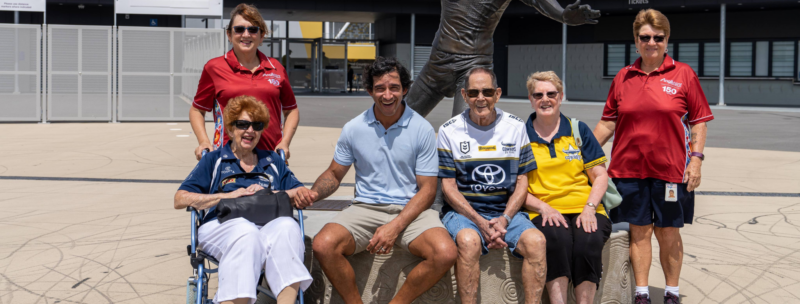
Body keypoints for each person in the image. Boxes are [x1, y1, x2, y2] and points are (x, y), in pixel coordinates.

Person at [295, 57, 458, 304]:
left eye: (394, 87)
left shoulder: (421, 128)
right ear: (370, 91)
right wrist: (314, 194)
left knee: (445, 253)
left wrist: (395, 227)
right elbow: (334, 173)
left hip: (411, 209)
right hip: (365, 208)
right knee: (323, 245)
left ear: (405, 89)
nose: (387, 94)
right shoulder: (354, 127)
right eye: (379, 88)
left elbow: (427, 190)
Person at [593, 9, 713, 304]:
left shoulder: (683, 74)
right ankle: (642, 293)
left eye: (658, 37)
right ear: (636, 41)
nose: (651, 43)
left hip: (671, 171)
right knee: (639, 232)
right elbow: (608, 122)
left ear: (666, 40)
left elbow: (699, 120)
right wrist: (584, 154)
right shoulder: (623, 76)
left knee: (668, 233)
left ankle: (671, 292)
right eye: (645, 37)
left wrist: (695, 159)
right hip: (628, 171)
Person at [174, 95, 313, 304]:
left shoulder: (272, 160)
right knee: (245, 232)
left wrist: (266, 194)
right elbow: (180, 198)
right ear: (230, 129)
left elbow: (301, 192)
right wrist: (228, 195)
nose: (250, 131)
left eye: (257, 125)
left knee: (288, 226)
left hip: (267, 224)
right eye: (242, 124)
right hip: (221, 225)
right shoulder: (215, 160)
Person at [437, 67, 545, 303]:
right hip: (464, 213)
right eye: (474, 92)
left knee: (537, 242)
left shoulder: (516, 127)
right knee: (469, 241)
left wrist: (504, 219)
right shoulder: (448, 131)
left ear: (497, 94)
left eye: (487, 91)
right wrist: (480, 222)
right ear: (464, 96)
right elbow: (448, 187)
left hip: (506, 212)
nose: (480, 98)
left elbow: (522, 181)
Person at [405, 0, 600, 117]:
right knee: (397, 120)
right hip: (437, 62)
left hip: (473, 67)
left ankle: (450, 185)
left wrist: (563, 15)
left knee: (466, 134)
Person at [522, 71, 611, 304]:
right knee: (555, 240)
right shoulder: (520, 136)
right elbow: (515, 187)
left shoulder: (578, 130)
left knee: (588, 242)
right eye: (538, 94)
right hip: (542, 209)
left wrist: (590, 208)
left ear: (560, 96)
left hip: (585, 207)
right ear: (531, 99)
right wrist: (543, 207)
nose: (545, 99)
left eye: (551, 94)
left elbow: (600, 175)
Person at [190, 3, 299, 162]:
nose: (246, 34)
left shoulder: (277, 68)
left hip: (270, 158)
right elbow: (196, 110)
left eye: (253, 29)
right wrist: (203, 141)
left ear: (261, 36)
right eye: (239, 29)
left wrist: (285, 142)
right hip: (227, 159)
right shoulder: (214, 68)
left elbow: (292, 110)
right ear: (229, 35)